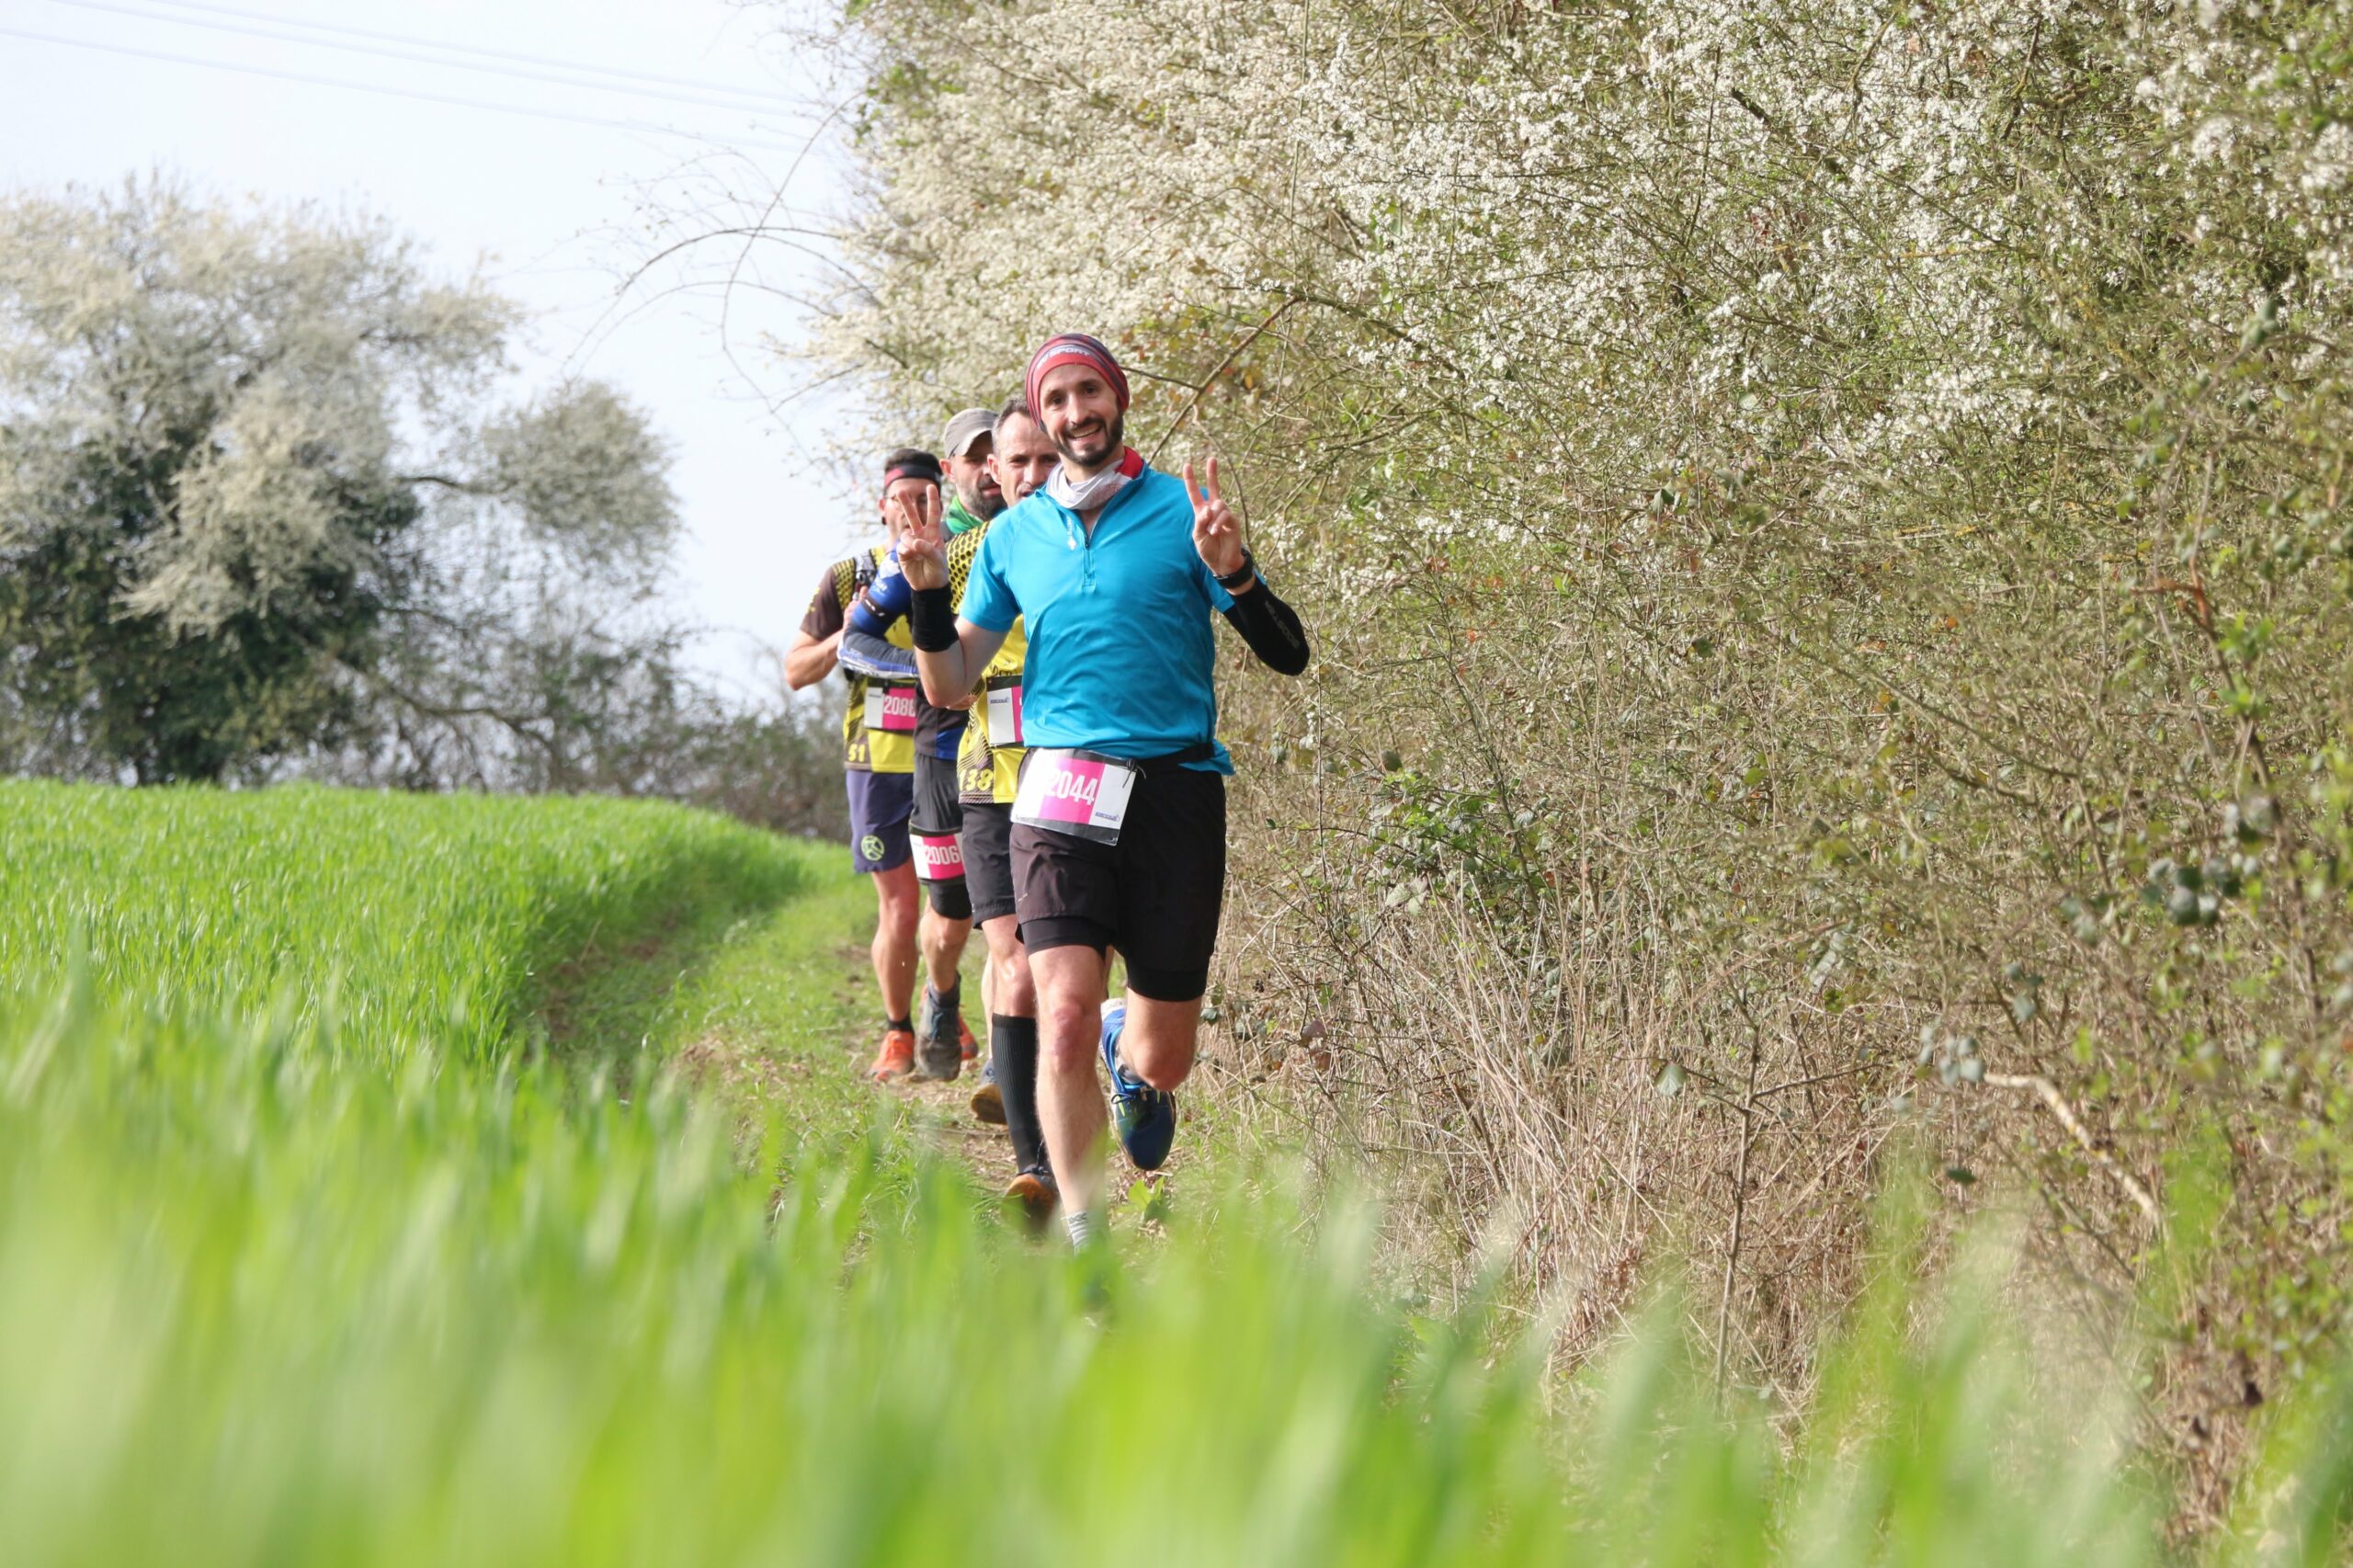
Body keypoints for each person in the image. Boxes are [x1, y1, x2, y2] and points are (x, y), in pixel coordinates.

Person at [898, 334, 1311, 1250]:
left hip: (1174, 791)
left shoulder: (1181, 512)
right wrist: (928, 590)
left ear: (1116, 400)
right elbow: (948, 684)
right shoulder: (1013, 535)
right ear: (1040, 416)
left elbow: (1288, 652)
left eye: (1089, 393)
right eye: (1057, 400)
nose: (1075, 413)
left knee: (1164, 1051)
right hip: (1057, 791)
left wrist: (1235, 570)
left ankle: (1139, 1056)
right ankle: (1086, 1234)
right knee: (1063, 1008)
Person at [783, 448, 959, 1082]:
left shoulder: (961, 560)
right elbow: (796, 670)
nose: (912, 508)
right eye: (902, 497)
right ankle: (897, 1032)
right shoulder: (847, 574)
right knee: (901, 908)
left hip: (948, 753)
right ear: (881, 505)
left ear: (940, 501)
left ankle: (945, 998)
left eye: (924, 496)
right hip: (878, 762)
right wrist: (848, 631)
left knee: (955, 903)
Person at [938, 392, 1059, 1226]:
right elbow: (886, 634)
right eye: (1016, 461)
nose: (1029, 475)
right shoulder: (966, 552)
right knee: (1011, 956)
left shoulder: (1091, 542)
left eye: (1045, 459)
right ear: (991, 471)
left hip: (1077, 773)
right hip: (987, 778)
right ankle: (1035, 1167)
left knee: (1072, 972)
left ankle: (1096, 1085)